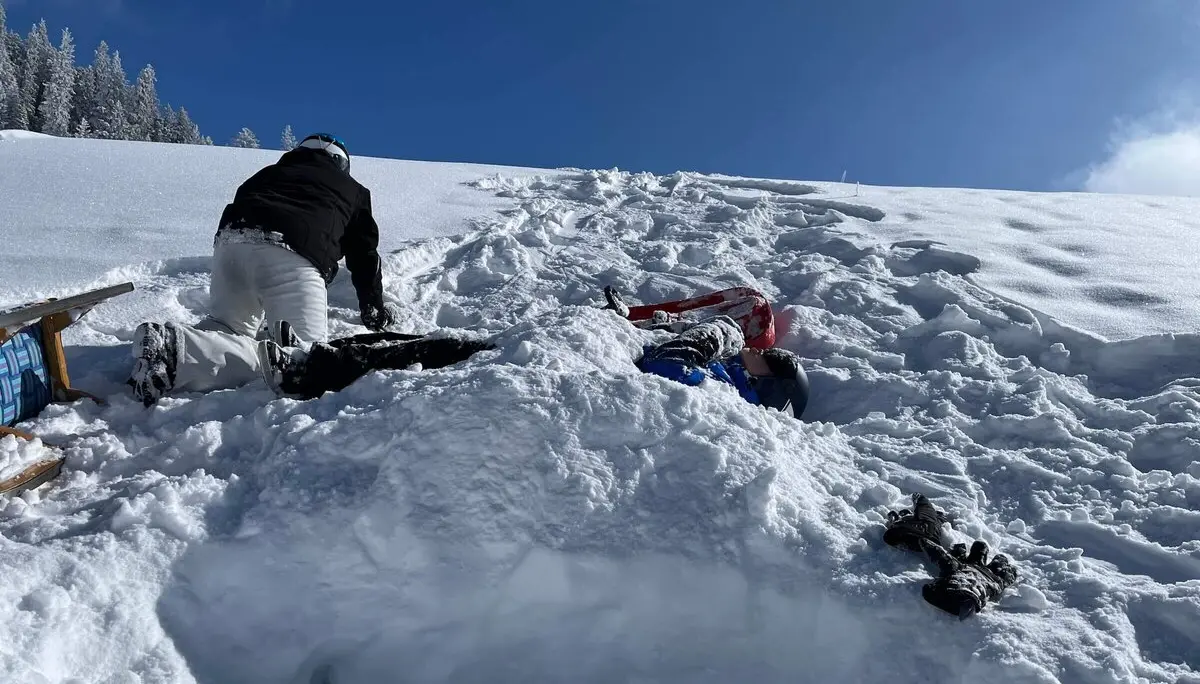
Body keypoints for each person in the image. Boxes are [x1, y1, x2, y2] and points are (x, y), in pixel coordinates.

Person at [128, 133, 397, 406]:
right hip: (291, 251)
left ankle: (175, 350)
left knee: (227, 328)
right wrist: (372, 307)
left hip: (230, 246)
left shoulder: (267, 173)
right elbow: (364, 255)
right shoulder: (352, 189)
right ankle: (176, 353)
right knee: (303, 360)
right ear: (341, 163)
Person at [635, 313, 808, 418]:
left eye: (771, 359)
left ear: (768, 387)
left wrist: (719, 333)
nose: (758, 350)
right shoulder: (725, 372)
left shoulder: (719, 392)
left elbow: (666, 362)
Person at [602, 285, 776, 349]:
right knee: (682, 321)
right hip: (750, 322)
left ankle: (624, 322)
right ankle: (627, 319)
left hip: (747, 332)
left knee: (675, 327)